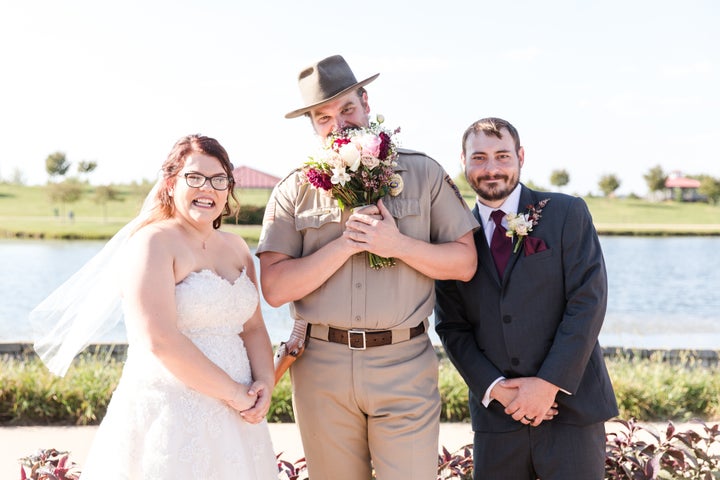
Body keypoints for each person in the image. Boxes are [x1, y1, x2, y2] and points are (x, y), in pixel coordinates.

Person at [256, 55, 479, 480]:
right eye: (323, 117)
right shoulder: (294, 189)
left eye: (347, 109)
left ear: (366, 102)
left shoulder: (423, 172)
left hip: (404, 364)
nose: (338, 125)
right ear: (313, 126)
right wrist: (343, 246)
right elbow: (275, 288)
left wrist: (396, 244)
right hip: (321, 369)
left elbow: (465, 263)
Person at [34, 135, 278, 479]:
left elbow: (252, 328)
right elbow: (158, 339)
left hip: (239, 420)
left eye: (218, 179)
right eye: (194, 177)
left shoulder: (237, 248)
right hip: (172, 413)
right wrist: (235, 394)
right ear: (170, 183)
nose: (207, 188)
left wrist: (264, 384)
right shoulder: (153, 243)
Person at [434, 117, 618, 480]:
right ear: (463, 161)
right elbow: (451, 327)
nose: (491, 169)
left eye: (502, 156)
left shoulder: (567, 213)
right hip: (498, 419)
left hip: (572, 412)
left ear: (520, 156)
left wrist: (547, 385)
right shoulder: (450, 240)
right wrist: (499, 390)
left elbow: (588, 303)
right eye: (480, 158)